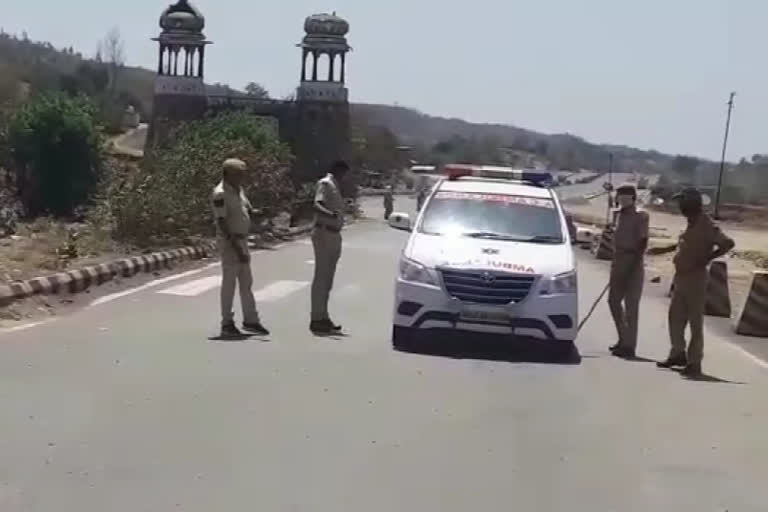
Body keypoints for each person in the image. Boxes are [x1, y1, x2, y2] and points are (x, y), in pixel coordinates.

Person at [656, 187, 735, 376]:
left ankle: (694, 362)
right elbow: (686, 245)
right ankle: (677, 353)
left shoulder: (705, 223)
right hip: (682, 277)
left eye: (682, 202)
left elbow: (728, 243)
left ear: (691, 204)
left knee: (694, 322)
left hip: (696, 278)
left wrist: (707, 258)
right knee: (675, 317)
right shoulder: (691, 223)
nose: (680, 206)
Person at [211, 158, 269, 338]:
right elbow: (222, 222)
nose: (242, 178)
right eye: (238, 174)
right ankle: (227, 322)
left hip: (243, 240)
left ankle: (251, 320)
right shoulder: (220, 193)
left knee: (246, 283)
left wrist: (259, 215)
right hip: (231, 243)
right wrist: (237, 248)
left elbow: (247, 210)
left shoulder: (239, 190)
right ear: (227, 174)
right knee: (229, 284)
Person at [608, 183, 649, 359]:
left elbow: (643, 241)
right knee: (613, 301)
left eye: (626, 196)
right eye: (620, 196)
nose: (622, 199)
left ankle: (629, 346)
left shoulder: (641, 215)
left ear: (633, 197)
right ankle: (622, 338)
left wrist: (633, 264)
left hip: (633, 261)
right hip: (618, 260)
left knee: (631, 305)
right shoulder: (617, 215)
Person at [310, 160, 349, 334]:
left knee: (328, 280)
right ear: (339, 171)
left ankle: (323, 317)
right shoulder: (326, 183)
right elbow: (317, 204)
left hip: (333, 234)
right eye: (344, 173)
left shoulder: (334, 185)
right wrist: (331, 214)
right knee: (321, 278)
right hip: (325, 233)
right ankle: (317, 318)